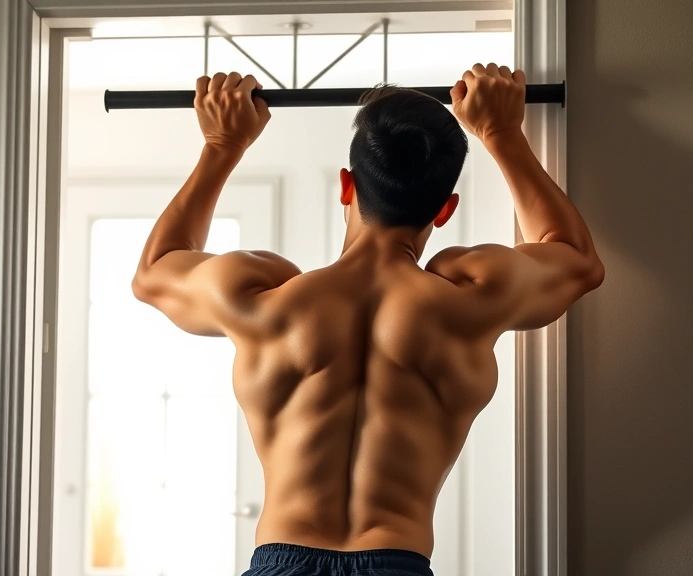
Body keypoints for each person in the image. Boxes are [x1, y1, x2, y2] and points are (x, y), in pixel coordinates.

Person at [131, 63, 604, 576]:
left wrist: (222, 144)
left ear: (346, 186)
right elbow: (575, 260)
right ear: (444, 209)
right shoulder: (468, 300)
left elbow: (156, 270)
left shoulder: (266, 298)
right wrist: (502, 134)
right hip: (397, 562)